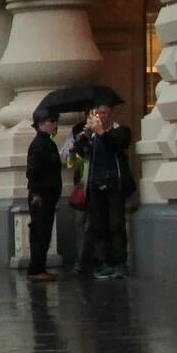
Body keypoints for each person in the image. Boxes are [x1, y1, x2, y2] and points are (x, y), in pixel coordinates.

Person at [74, 104, 135, 279]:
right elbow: (82, 153)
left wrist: (102, 132)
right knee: (99, 226)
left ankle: (120, 263)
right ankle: (104, 262)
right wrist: (83, 137)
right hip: (96, 185)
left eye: (105, 113)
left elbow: (118, 144)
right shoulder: (92, 135)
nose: (103, 116)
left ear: (111, 114)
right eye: (99, 113)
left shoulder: (120, 131)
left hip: (115, 184)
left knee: (116, 224)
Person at [25, 116, 62, 281]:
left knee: (43, 231)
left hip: (48, 194)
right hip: (42, 195)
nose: (55, 124)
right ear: (41, 125)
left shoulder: (48, 143)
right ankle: (36, 268)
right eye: (52, 121)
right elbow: (33, 170)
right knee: (40, 231)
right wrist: (36, 193)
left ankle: (38, 267)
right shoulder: (40, 144)